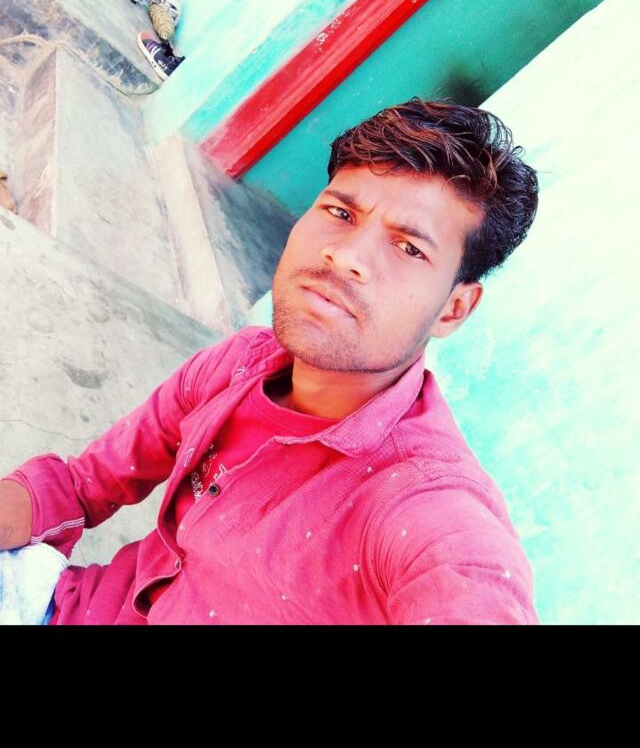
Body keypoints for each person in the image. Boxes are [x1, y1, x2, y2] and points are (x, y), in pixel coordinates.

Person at [0, 97, 540, 625]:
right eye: (340, 212)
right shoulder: (236, 366)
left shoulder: (421, 505)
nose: (346, 256)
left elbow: (470, 580)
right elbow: (83, 484)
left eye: (409, 248)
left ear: (453, 308)